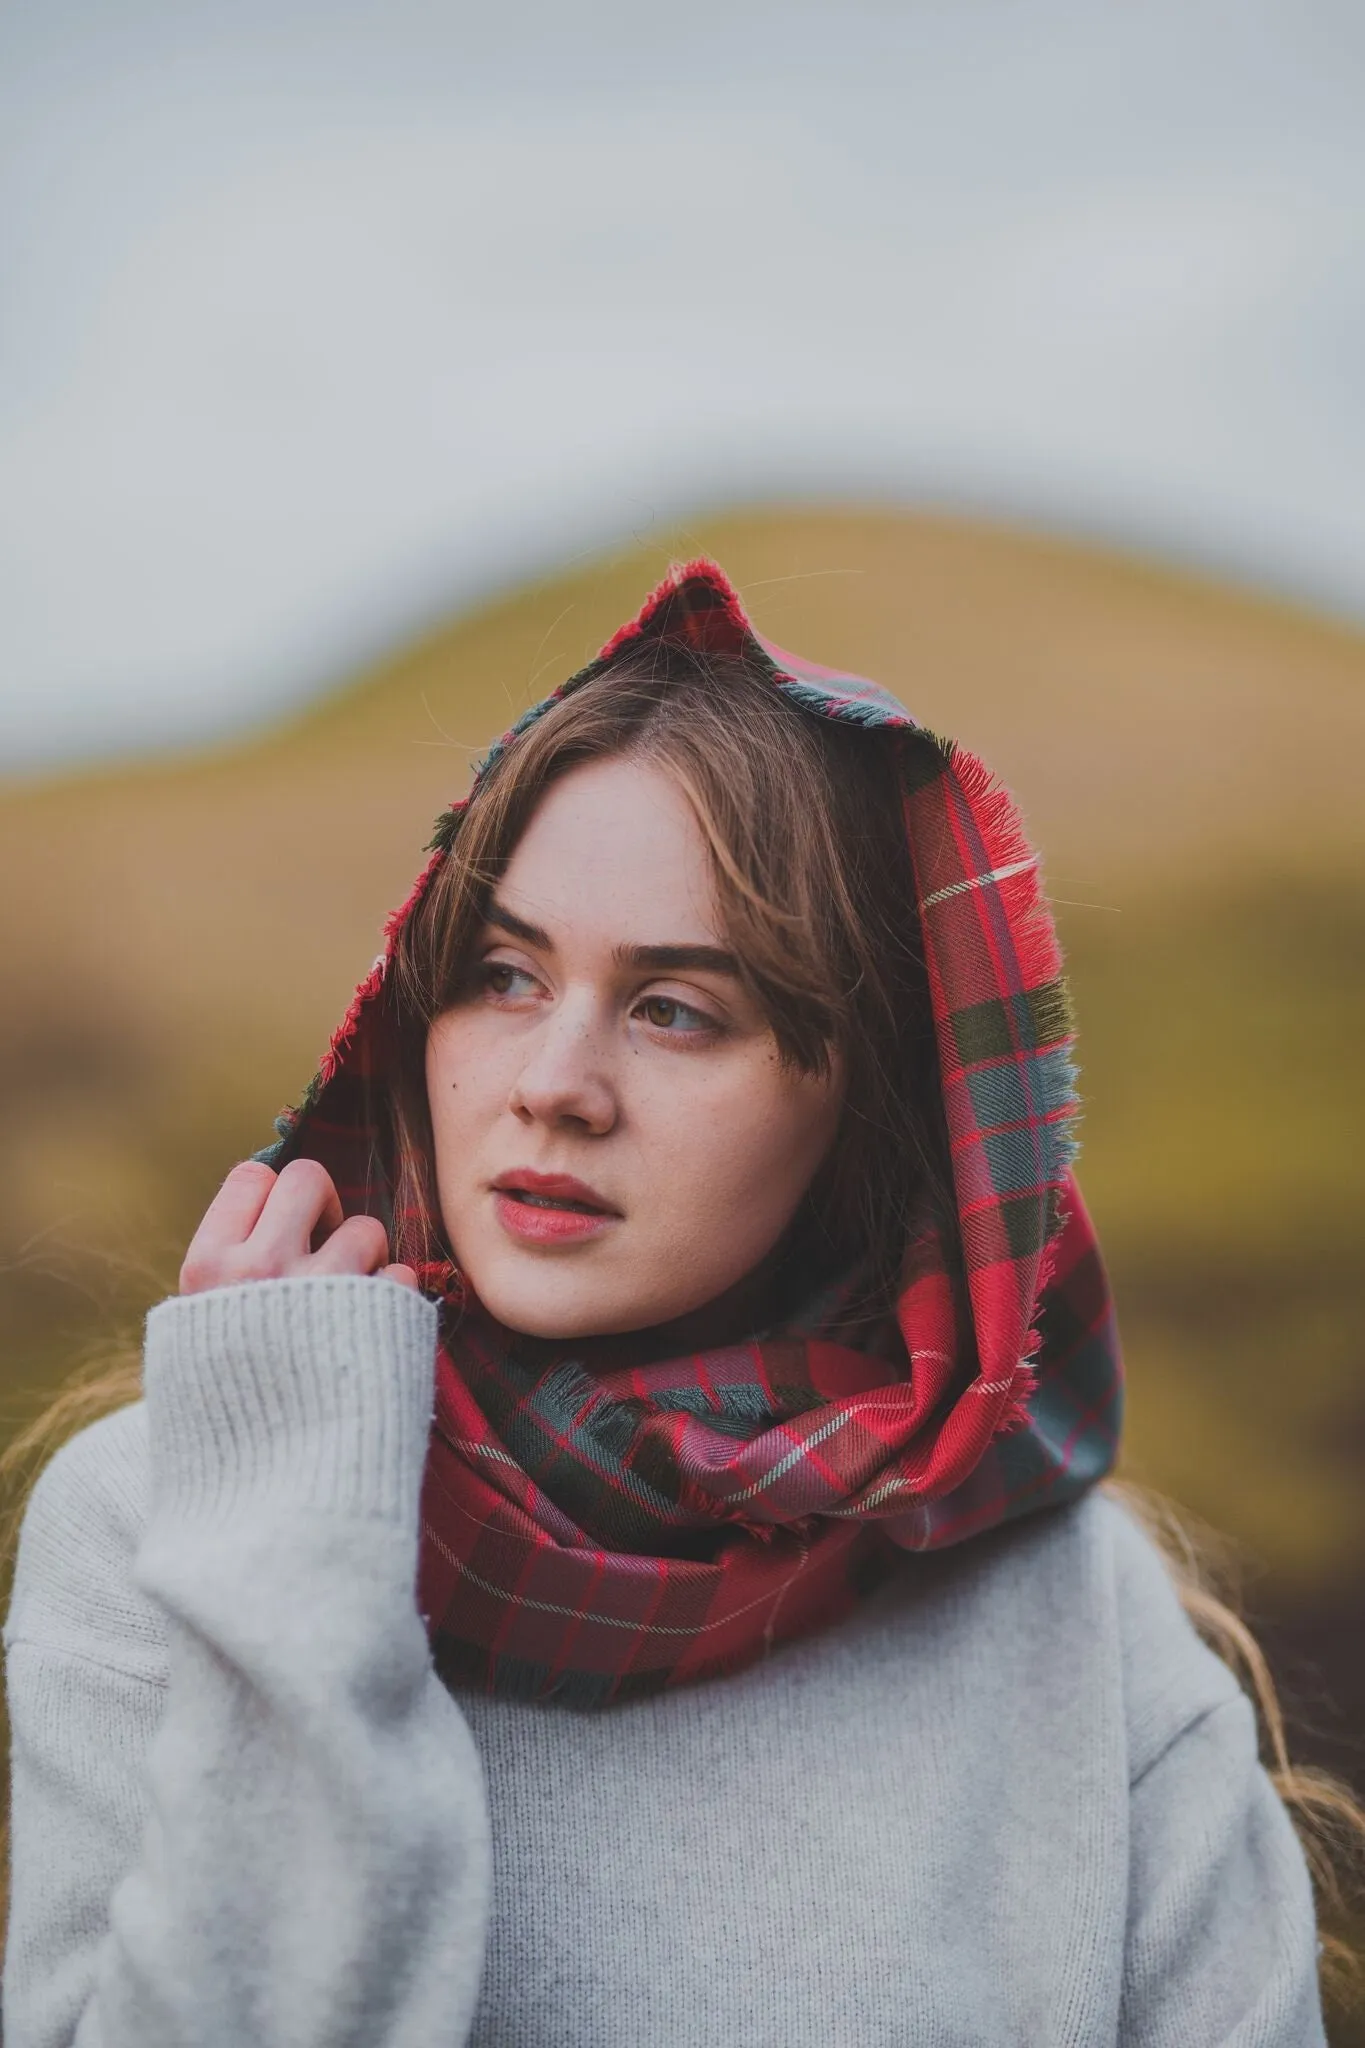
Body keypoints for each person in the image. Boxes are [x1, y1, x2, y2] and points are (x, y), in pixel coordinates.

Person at [1, 562, 1351, 2045]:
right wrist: (294, 1535)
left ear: (866, 1114)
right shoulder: (160, 1522)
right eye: (501, 973)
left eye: (677, 1009)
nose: (552, 1087)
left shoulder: (1076, 1626)